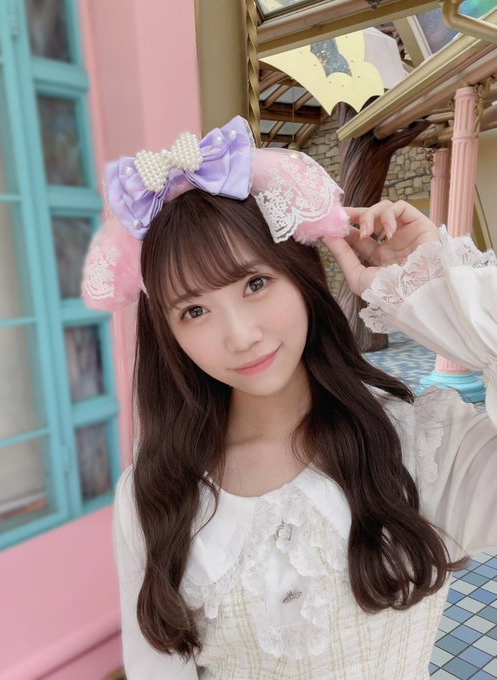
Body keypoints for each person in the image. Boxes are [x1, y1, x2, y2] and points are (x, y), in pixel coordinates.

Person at [81, 116, 497, 679]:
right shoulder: (154, 494)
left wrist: (429, 289)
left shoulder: (421, 447)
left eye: (255, 284)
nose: (240, 336)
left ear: (301, 277)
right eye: (194, 310)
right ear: (169, 335)